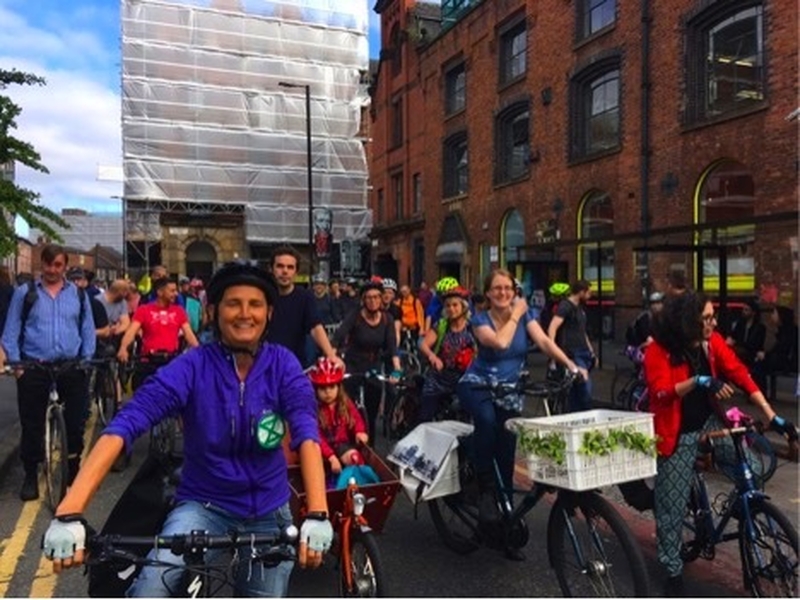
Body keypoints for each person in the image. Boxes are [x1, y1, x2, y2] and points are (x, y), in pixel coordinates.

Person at [41, 261, 333, 595]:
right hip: (203, 506)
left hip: (268, 511)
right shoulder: (193, 365)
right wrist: (69, 511)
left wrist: (318, 512)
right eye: (233, 303)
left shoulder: (283, 364)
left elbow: (306, 432)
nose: (244, 314)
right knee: (151, 589)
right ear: (214, 311)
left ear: (269, 313)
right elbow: (127, 423)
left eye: (255, 304)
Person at [643, 291, 796, 596]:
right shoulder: (658, 350)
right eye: (707, 318)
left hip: (710, 423)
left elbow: (739, 373)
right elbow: (661, 392)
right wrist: (698, 381)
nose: (714, 323)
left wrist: (773, 416)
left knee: (752, 471)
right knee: (671, 509)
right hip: (676, 432)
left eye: (713, 317)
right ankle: (672, 570)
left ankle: (744, 513)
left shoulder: (711, 342)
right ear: (688, 321)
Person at [457, 269, 585, 541]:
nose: (503, 293)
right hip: (478, 385)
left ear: (514, 291)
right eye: (497, 288)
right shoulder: (480, 320)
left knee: (506, 451)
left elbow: (544, 342)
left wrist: (570, 365)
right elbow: (501, 343)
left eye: (508, 288)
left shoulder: (526, 317)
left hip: (510, 390)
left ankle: (504, 521)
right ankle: (483, 487)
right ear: (488, 293)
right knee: (487, 422)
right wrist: (516, 313)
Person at [0, 244, 96, 501]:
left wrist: (86, 360)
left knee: (75, 424)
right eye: (48, 264)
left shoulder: (78, 294)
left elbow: (87, 329)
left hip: (71, 366)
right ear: (41, 264)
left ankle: (73, 470)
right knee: (32, 424)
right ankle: (31, 475)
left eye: (57, 265)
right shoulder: (25, 293)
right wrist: (18, 366)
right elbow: (11, 329)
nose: (52, 270)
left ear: (65, 267)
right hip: (34, 367)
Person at [332, 280, 401, 439]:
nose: (373, 301)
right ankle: (346, 438)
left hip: (374, 364)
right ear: (363, 300)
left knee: (372, 410)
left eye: (376, 297)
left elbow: (392, 346)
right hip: (353, 363)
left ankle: (371, 444)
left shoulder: (387, 319)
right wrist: (333, 358)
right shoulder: (355, 316)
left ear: (381, 298)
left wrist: (397, 368)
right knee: (347, 405)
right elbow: (338, 337)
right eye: (369, 297)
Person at [266, 246, 342, 369]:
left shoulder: (305, 297)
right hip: (265, 364)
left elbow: (315, 327)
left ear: (296, 272)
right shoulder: (263, 296)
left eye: (290, 267)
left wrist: (331, 356)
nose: (285, 271)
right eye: (280, 266)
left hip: (294, 366)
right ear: (271, 269)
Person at [117, 277, 199, 390]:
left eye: (176, 290)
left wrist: (199, 352)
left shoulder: (179, 311)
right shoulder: (144, 310)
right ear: (160, 292)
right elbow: (131, 331)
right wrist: (123, 347)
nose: (175, 294)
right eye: (172, 291)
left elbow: (189, 335)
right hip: (149, 361)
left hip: (171, 361)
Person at [418, 286, 475, 421]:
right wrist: (433, 357)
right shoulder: (441, 325)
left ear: (463, 307)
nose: (451, 309)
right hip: (438, 379)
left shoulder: (472, 328)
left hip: (462, 380)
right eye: (448, 305)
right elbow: (423, 344)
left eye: (455, 305)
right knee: (426, 416)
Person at [308, 357, 368, 478]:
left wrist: (359, 432)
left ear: (338, 387)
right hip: (320, 449)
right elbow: (316, 436)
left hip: (342, 445)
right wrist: (331, 457)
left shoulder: (344, 403)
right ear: (316, 389)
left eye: (332, 387)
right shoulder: (313, 408)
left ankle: (356, 484)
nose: (328, 392)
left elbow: (356, 418)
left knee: (355, 459)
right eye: (323, 388)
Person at [547, 280, 597, 412]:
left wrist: (591, 351)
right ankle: (586, 413)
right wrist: (552, 350)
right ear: (581, 292)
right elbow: (552, 327)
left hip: (583, 352)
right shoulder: (565, 306)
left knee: (576, 390)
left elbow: (582, 331)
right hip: (573, 353)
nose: (590, 296)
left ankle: (575, 413)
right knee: (585, 387)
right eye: (588, 293)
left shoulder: (579, 307)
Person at [724, 299, 766, 388]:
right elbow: (733, 335)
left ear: (753, 313)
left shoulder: (760, 327)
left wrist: (738, 343)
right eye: (743, 309)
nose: (743, 312)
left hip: (751, 353)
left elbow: (756, 344)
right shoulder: (740, 324)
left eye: (747, 310)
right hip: (740, 350)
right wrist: (730, 340)